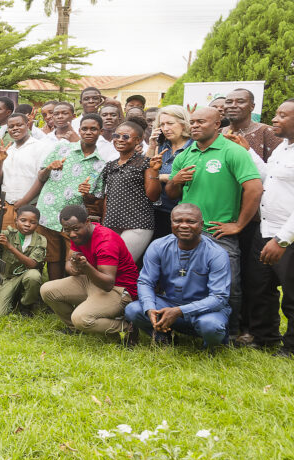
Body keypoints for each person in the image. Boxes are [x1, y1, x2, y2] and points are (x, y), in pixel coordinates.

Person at [165, 107, 262, 336]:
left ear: (217, 124)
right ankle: (190, 327)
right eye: (192, 122)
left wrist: (238, 224)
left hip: (218, 232)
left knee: (230, 285)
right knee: (187, 281)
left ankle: (233, 331)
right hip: (186, 233)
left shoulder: (233, 151)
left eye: (201, 121)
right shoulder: (185, 155)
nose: (195, 126)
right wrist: (175, 181)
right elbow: (171, 193)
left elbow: (254, 189)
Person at [122, 203, 230, 348]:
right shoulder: (158, 246)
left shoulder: (216, 254)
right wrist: (150, 308)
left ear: (201, 224)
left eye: (190, 221)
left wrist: (180, 311)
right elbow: (145, 282)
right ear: (171, 223)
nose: (184, 225)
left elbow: (219, 298)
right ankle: (164, 337)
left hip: (204, 311)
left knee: (211, 326)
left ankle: (211, 346)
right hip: (170, 304)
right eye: (178, 221)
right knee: (133, 310)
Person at [20, 114, 107, 281]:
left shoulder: (101, 163)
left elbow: (94, 200)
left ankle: (68, 297)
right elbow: (41, 176)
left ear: (100, 132)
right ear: (79, 130)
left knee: (73, 259)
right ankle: (50, 298)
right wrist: (49, 168)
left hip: (73, 221)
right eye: (84, 128)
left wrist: (86, 193)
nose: (88, 132)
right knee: (51, 258)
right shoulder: (62, 149)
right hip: (48, 213)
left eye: (93, 129)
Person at [242, 98, 294, 353]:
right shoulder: (283, 148)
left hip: (287, 235)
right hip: (265, 229)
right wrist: (247, 151)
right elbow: (266, 176)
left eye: (282, 115)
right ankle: (265, 339)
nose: (274, 119)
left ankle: (291, 347)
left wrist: (282, 239)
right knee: (260, 286)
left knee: (292, 295)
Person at [40, 205, 138, 337]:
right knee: (47, 290)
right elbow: (68, 263)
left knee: (81, 318)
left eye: (75, 229)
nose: (72, 234)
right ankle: (76, 328)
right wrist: (74, 267)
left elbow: (108, 284)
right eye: (67, 230)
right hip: (92, 280)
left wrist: (86, 267)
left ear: (87, 222)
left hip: (119, 289)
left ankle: (127, 328)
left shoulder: (105, 241)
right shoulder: (80, 235)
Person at [84, 120, 162, 262]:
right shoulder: (110, 165)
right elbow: (107, 197)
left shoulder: (145, 162)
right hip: (112, 223)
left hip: (138, 224)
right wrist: (105, 223)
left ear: (137, 140)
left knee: (122, 265)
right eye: (116, 136)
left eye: (125, 137)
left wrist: (154, 171)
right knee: (105, 263)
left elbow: (153, 196)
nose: (120, 140)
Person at [0, 113, 48, 227]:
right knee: (5, 241)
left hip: (30, 207)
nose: (15, 128)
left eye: (19, 125)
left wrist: (24, 201)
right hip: (7, 206)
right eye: (11, 127)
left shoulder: (40, 147)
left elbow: (42, 179)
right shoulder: (8, 150)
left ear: (27, 125)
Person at [0, 203, 46, 316]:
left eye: (32, 222)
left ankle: (26, 305)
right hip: (8, 277)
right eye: (23, 220)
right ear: (16, 220)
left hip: (26, 275)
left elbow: (31, 264)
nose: (27, 224)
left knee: (34, 276)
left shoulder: (41, 240)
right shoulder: (8, 234)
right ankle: (15, 297)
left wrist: (10, 247)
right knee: (0, 313)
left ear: (37, 225)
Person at [149, 106, 194, 239]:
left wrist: (159, 176)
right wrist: (152, 146)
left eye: (170, 123)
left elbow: (188, 175)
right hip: (156, 209)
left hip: (182, 212)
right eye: (162, 124)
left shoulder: (193, 146)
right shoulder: (162, 145)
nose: (166, 128)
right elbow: (146, 170)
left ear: (184, 124)